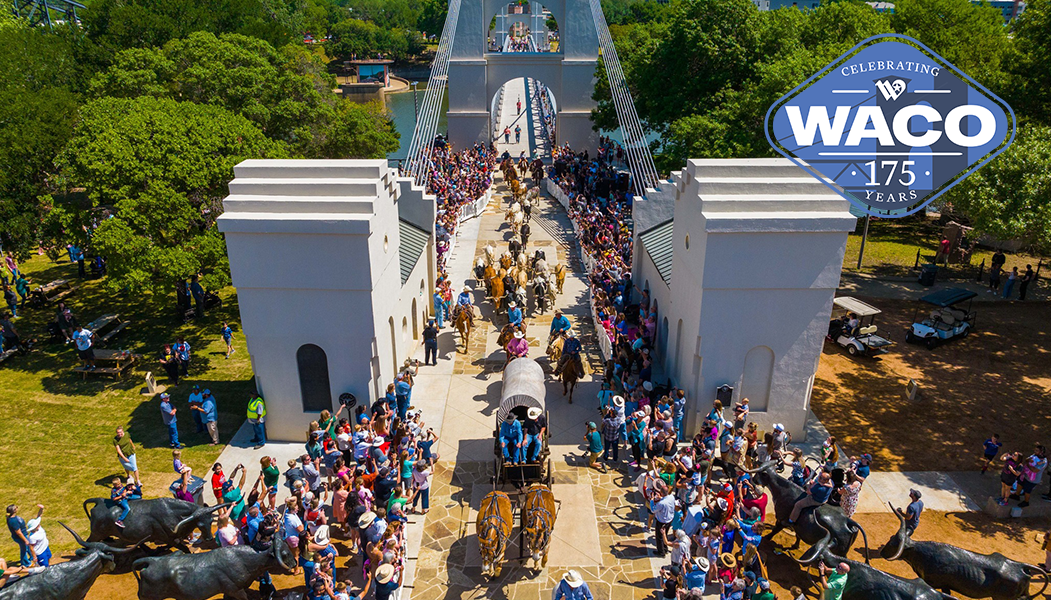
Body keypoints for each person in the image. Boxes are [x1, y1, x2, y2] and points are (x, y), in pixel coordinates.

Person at [651, 488, 675, 556]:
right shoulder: (671, 497)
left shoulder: (661, 503)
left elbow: (653, 509)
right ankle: (665, 548)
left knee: (659, 537)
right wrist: (660, 498)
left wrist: (652, 500)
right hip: (669, 519)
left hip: (662, 522)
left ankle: (661, 552)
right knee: (665, 534)